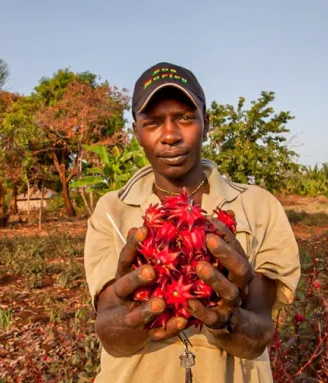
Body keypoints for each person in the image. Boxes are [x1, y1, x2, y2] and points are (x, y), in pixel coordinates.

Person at [84, 62, 300, 383]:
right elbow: (110, 332)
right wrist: (136, 316)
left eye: (185, 118)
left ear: (206, 123)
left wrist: (229, 321)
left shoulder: (259, 206)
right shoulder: (111, 211)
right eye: (153, 122)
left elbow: (259, 334)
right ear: (136, 131)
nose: (170, 136)